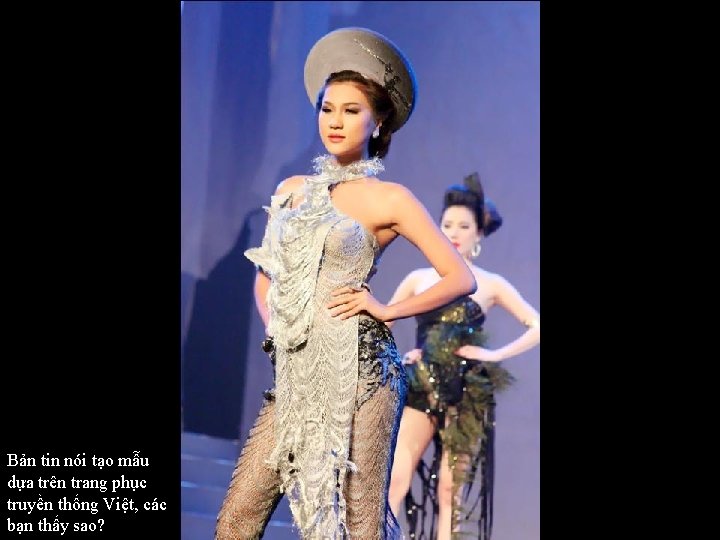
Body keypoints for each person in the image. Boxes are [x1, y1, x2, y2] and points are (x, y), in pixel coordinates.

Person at [214, 27, 477, 539]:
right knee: (236, 520)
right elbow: (267, 280)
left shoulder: (391, 199)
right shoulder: (291, 191)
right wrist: (280, 334)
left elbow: (459, 277)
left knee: (360, 525)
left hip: (364, 373)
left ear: (378, 122)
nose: (334, 121)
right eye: (327, 108)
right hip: (297, 375)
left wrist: (387, 310)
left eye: (351, 110)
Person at [385, 173, 540, 540]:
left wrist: (493, 354)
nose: (454, 232)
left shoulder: (490, 283)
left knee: (449, 491)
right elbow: (382, 321)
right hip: (421, 385)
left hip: (466, 393)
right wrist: (398, 357)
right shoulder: (419, 278)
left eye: (464, 226)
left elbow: (536, 324)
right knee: (395, 478)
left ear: (479, 234)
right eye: (447, 225)